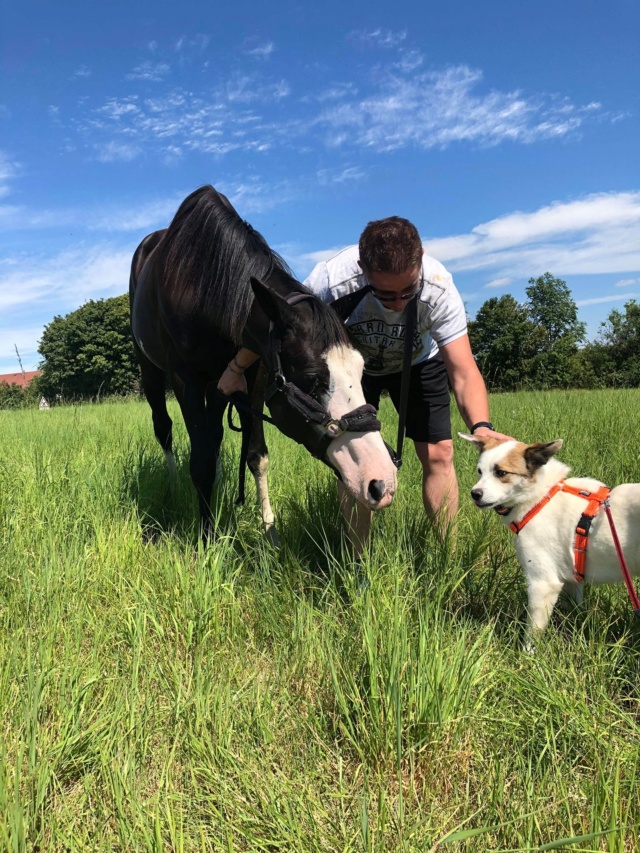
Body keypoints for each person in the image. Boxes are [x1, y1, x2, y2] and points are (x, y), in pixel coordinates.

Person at [217, 216, 509, 554]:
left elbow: (462, 370)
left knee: (439, 453)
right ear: (362, 269)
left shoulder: (439, 287)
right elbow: (282, 326)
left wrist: (482, 427)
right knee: (349, 453)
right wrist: (237, 367)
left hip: (418, 363)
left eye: (407, 291)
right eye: (385, 295)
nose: (399, 304)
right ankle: (358, 558)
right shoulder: (331, 280)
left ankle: (449, 555)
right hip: (352, 367)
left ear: (421, 259)